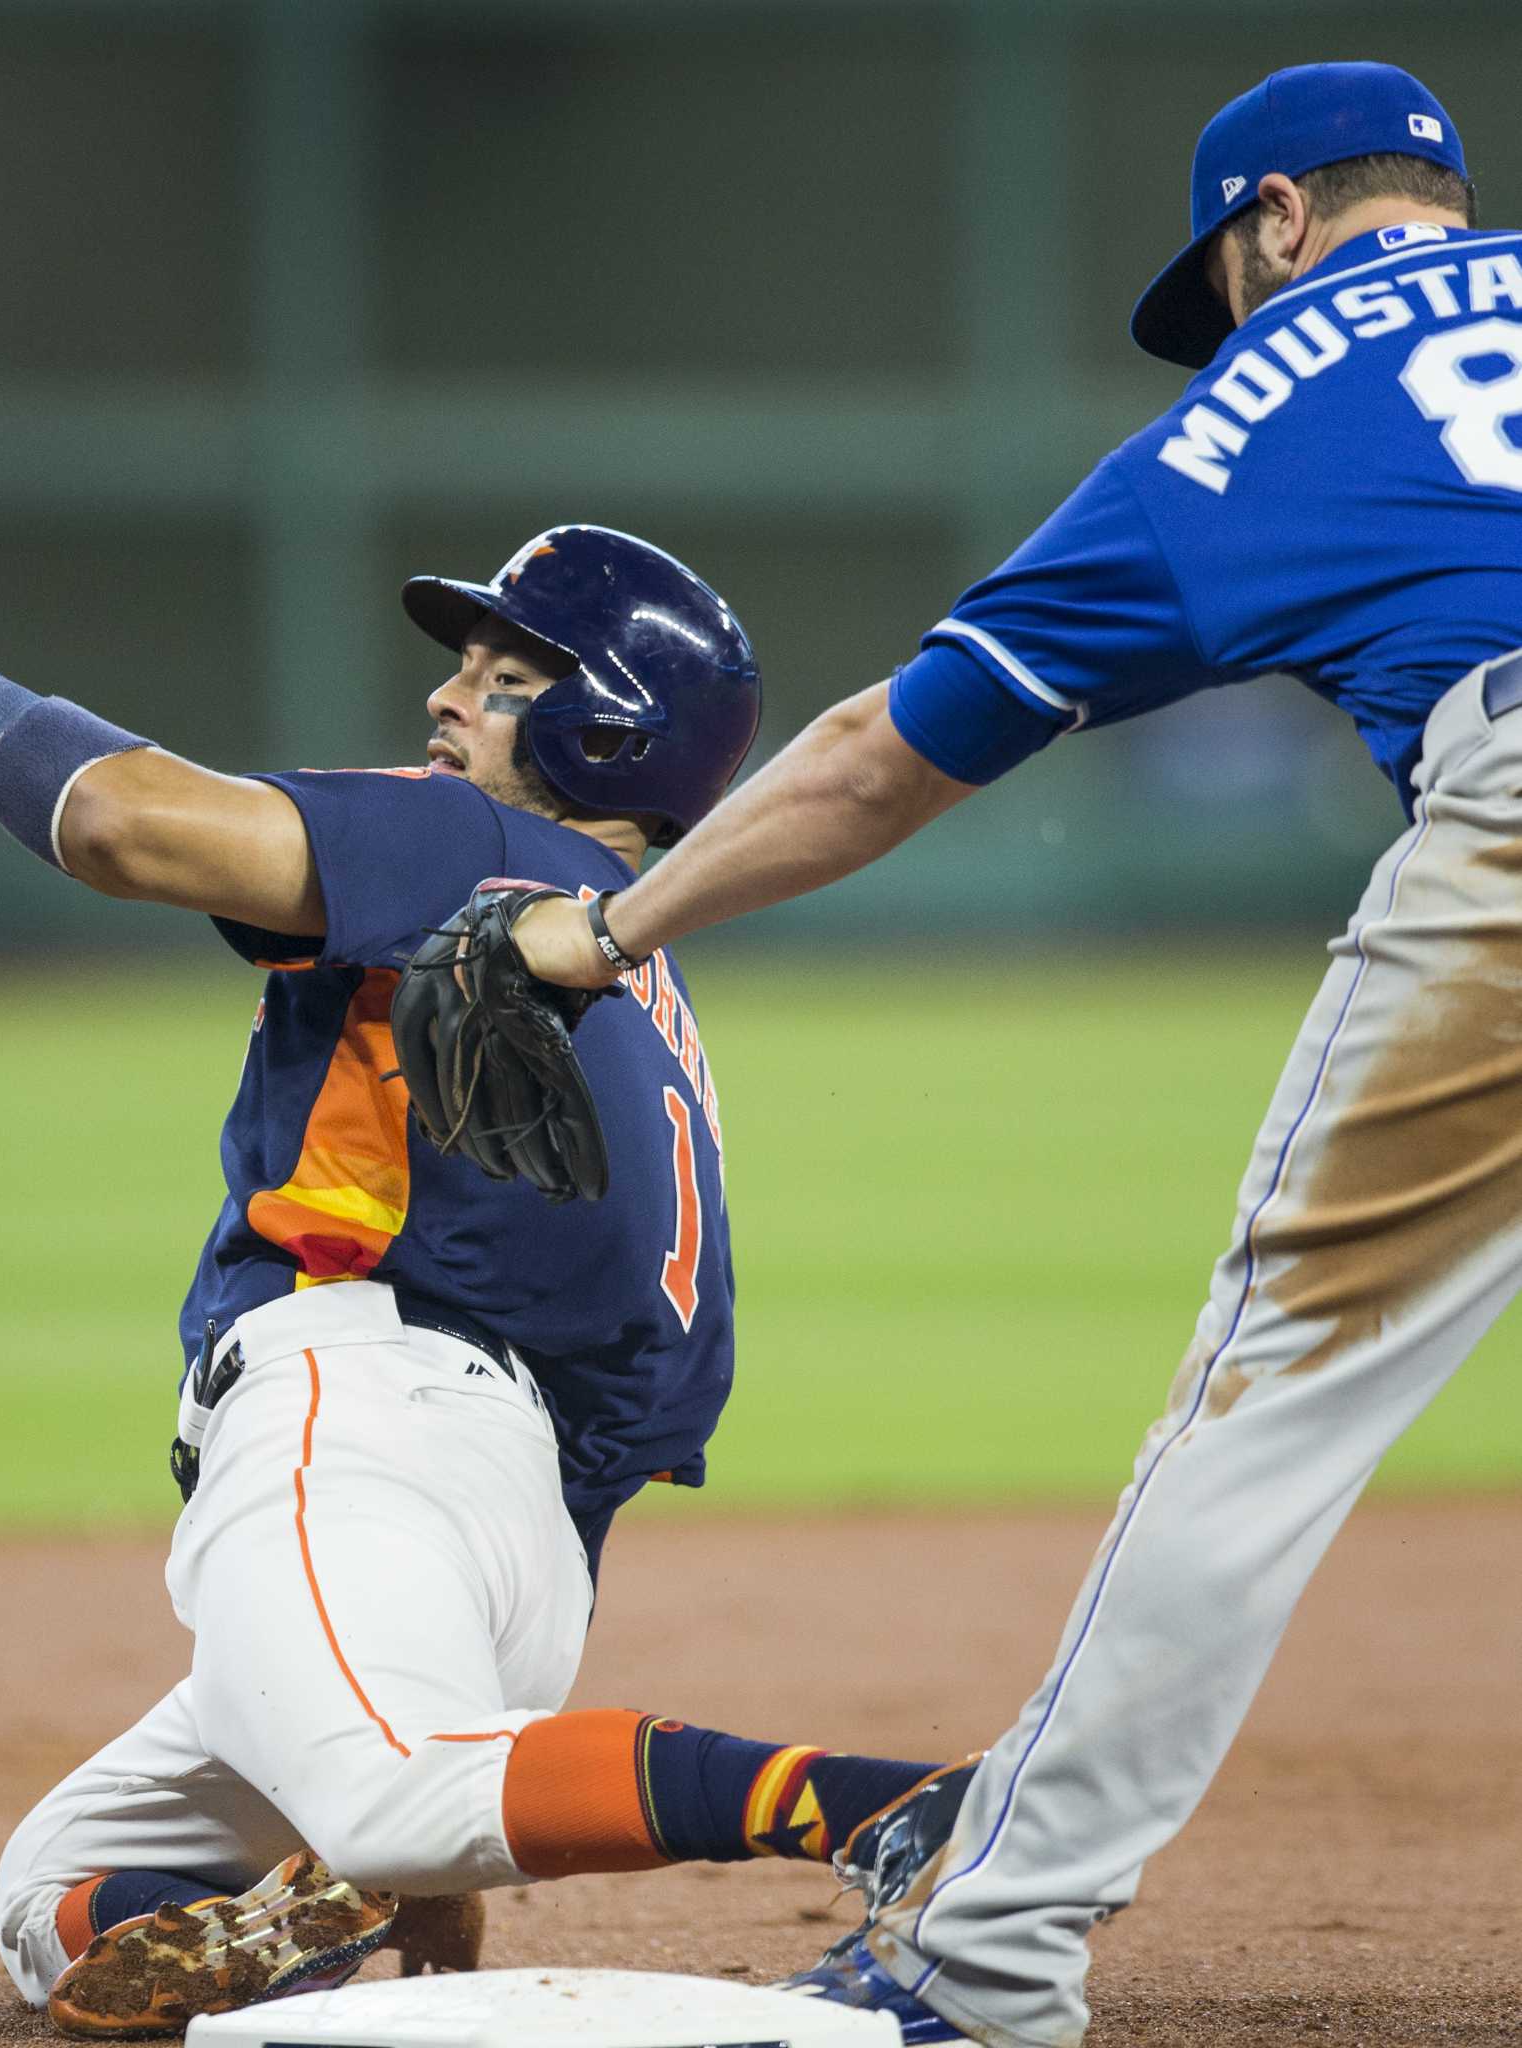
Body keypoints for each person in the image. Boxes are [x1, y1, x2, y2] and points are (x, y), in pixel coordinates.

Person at [508, 65, 1522, 2048]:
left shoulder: (1257, 400)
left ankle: (978, 1957)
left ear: (1282, 224)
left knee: (1270, 1401)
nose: (1231, 310)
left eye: (1230, 273)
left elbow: (886, 756)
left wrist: (609, 926)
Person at [0, 525, 980, 2039]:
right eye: (462, 668)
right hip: (517, 1526)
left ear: (606, 734)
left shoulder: (479, 847)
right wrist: (445, 1858)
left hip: (362, 1421)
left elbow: (118, 820)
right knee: (60, 1890)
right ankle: (332, 1912)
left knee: (390, 1792)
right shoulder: (643, 978)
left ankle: (905, 1810)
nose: (450, 704)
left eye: (506, 681)